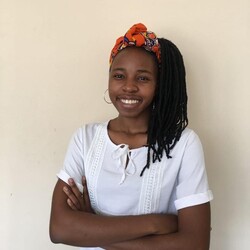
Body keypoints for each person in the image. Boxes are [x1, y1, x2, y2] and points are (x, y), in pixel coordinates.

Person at [49, 23, 213, 250]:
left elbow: (195, 244)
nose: (128, 87)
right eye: (119, 75)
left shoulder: (184, 144)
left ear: (160, 85)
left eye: (143, 78)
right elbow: (59, 228)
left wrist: (93, 229)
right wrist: (155, 224)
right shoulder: (85, 139)